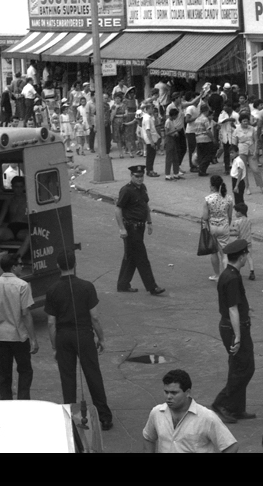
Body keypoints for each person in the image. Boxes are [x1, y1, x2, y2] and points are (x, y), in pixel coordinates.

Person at [45, 252, 112, 431]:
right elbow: (95, 317)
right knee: (92, 374)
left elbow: (51, 323)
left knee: (67, 377)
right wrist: (101, 338)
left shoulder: (52, 290)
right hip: (83, 334)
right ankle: (104, 417)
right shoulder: (87, 287)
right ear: (75, 264)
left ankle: (70, 417)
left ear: (58, 266)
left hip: (63, 336)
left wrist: (54, 346)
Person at [211, 239, 255, 424]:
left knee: (238, 367)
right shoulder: (233, 277)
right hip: (234, 328)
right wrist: (237, 336)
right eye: (246, 255)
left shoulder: (227, 274)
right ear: (242, 256)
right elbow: (232, 308)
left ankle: (237, 408)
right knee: (244, 369)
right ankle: (221, 403)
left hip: (232, 326)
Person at [141, 369, 237, 453]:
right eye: (166, 392)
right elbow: (148, 438)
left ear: (187, 392)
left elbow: (231, 447)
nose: (168, 397)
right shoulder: (157, 413)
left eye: (174, 393)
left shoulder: (207, 417)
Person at [0, 253, 38, 400]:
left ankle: (6, 405)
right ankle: (23, 402)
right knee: (25, 371)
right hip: (19, 337)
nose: (22, 267)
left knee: (3, 375)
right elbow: (25, 314)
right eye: (20, 264)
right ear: (13, 267)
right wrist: (33, 339)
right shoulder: (22, 286)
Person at [114, 165, 164, 295]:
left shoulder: (142, 189)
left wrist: (149, 222)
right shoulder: (126, 190)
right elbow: (118, 209)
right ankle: (152, 287)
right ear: (131, 176)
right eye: (137, 176)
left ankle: (123, 284)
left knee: (131, 257)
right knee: (142, 258)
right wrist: (121, 229)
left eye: (142, 176)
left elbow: (145, 206)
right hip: (131, 228)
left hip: (140, 227)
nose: (140, 179)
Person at [201, 175, 232, 280]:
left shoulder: (208, 199)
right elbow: (230, 215)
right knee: (224, 253)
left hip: (212, 227)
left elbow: (205, 217)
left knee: (214, 252)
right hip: (224, 226)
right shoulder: (228, 198)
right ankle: (227, 276)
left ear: (212, 186)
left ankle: (217, 275)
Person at [229, 202, 254, 281]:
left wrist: (228, 233)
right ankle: (252, 271)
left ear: (239, 213)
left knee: (238, 258)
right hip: (248, 242)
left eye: (236, 211)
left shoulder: (237, 222)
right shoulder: (249, 220)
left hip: (241, 243)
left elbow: (237, 232)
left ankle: (237, 271)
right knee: (249, 257)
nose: (235, 213)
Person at [162, 105, 185, 181]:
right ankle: (167, 175)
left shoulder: (172, 121)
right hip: (169, 140)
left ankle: (176, 173)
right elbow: (167, 133)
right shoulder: (168, 122)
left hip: (174, 139)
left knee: (175, 158)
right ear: (174, 115)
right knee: (169, 158)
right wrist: (176, 131)